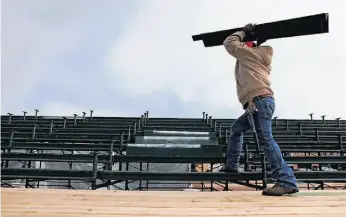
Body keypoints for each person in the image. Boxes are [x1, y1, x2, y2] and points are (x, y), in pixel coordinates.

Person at [220, 23, 299, 196]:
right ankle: (232, 166)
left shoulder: (249, 54)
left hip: (258, 102)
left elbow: (229, 42)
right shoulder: (257, 56)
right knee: (237, 129)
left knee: (266, 140)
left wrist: (242, 32)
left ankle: (287, 180)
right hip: (258, 102)